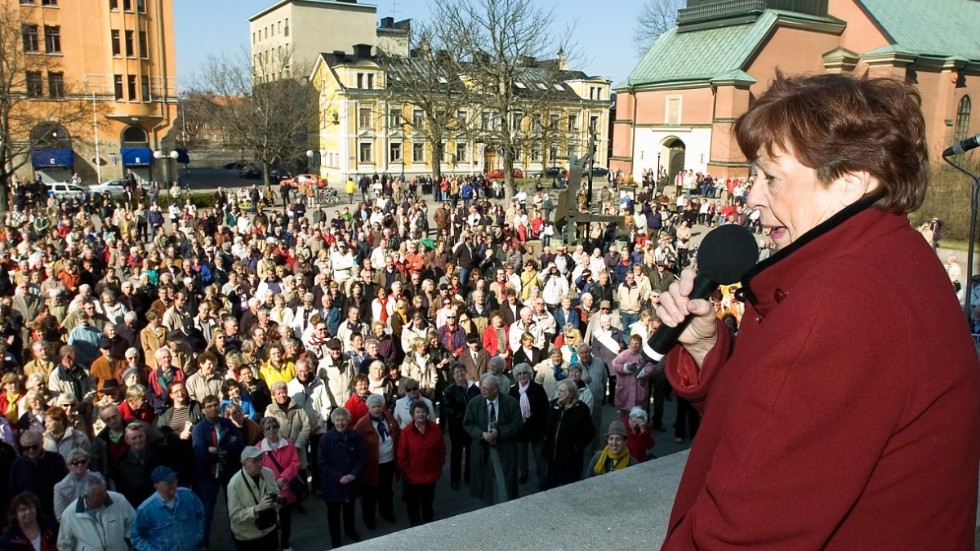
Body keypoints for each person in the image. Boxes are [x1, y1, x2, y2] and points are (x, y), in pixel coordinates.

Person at [657, 74, 980, 549]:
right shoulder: (888, 259)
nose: (752, 197)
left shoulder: (845, 302)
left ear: (850, 183)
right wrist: (708, 348)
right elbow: (785, 425)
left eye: (771, 177)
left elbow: (746, 531)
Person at [191, 394, 245, 550]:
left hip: (229, 471)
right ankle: (204, 543)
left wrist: (219, 450)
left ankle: (238, 536)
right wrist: (227, 447)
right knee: (207, 510)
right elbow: (200, 453)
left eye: (216, 405)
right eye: (209, 406)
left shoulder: (227, 423)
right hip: (208, 474)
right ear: (203, 410)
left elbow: (239, 442)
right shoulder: (199, 429)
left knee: (234, 506)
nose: (214, 408)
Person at [463, 374, 523, 504]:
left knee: (505, 480)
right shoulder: (475, 403)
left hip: (504, 446)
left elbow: (517, 424)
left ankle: (507, 506)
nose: (482, 390)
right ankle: (487, 508)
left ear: (495, 389)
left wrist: (500, 432)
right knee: (484, 480)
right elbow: (468, 424)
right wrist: (481, 434)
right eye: (481, 388)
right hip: (482, 447)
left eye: (486, 388)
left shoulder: (510, 402)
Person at [317, 407, 367, 548]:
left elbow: (362, 457)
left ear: (348, 420)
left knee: (349, 510)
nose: (340, 423)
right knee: (333, 515)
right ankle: (336, 539)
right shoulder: (325, 439)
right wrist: (339, 477)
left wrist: (353, 474)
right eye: (337, 420)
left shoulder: (355, 436)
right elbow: (322, 463)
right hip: (333, 484)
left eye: (343, 419)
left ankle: (350, 531)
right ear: (333, 421)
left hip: (351, 481)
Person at [129, 466, 205, 551]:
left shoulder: (188, 495)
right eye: (168, 483)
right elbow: (136, 536)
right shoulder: (146, 509)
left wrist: (198, 535)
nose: (173, 485)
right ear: (156, 486)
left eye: (174, 481)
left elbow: (200, 514)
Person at [396, 401, 446, 526]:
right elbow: (401, 455)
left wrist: (438, 467)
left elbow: (441, 449)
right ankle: (415, 524)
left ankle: (428, 521)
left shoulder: (435, 428)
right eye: (417, 412)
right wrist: (407, 472)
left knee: (428, 503)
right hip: (413, 477)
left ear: (427, 413)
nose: (421, 414)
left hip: (430, 475)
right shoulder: (406, 432)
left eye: (423, 411)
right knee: (413, 505)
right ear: (413, 414)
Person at [353, 393, 399, 528]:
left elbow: (396, 433)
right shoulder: (362, 424)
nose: (377, 409)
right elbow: (357, 445)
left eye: (379, 406)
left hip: (388, 461)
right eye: (373, 407)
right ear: (368, 408)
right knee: (370, 494)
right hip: (371, 466)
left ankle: (387, 513)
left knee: (387, 490)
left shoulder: (389, 417)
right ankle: (369, 519)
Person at [57, 472, 135, 551]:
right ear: (86, 495)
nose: (105, 495)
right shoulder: (70, 513)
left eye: (105, 490)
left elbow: (133, 523)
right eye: (100, 494)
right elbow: (64, 544)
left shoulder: (119, 500)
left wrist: (128, 542)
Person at [255, 417, 300, 551]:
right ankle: (273, 545)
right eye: (267, 428)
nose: (271, 430)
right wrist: (273, 483)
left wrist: (284, 478)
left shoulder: (289, 444)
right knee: (271, 521)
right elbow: (258, 470)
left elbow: (295, 463)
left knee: (286, 520)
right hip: (269, 492)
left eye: (274, 426)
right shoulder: (258, 449)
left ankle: (285, 543)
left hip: (286, 489)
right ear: (263, 432)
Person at [541, 379, 594, 489]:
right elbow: (547, 427)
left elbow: (590, 432)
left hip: (571, 460)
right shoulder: (553, 405)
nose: (558, 393)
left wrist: (577, 447)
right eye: (558, 390)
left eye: (562, 391)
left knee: (570, 489)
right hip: (553, 458)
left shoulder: (581, 409)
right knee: (552, 488)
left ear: (570, 393)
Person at [227, 446, 281, 551]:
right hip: (248, 537)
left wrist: (276, 504)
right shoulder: (234, 484)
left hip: (270, 530)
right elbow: (234, 516)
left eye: (261, 458)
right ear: (243, 463)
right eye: (254, 461)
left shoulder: (268, 473)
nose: (259, 463)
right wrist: (255, 509)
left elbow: (276, 494)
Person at [507, 363, 548, 489]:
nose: (522, 375)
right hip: (521, 430)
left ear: (529, 374)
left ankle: (542, 477)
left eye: (525, 373)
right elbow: (510, 411)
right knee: (521, 455)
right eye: (519, 374)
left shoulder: (538, 389)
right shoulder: (513, 391)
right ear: (516, 376)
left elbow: (545, 409)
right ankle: (524, 472)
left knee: (539, 455)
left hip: (536, 428)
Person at [9, 430, 66, 519]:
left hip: (54, 510)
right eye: (26, 448)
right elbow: (14, 491)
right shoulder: (17, 464)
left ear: (41, 443)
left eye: (34, 447)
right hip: (30, 514)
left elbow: (65, 484)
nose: (31, 450)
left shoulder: (56, 460)